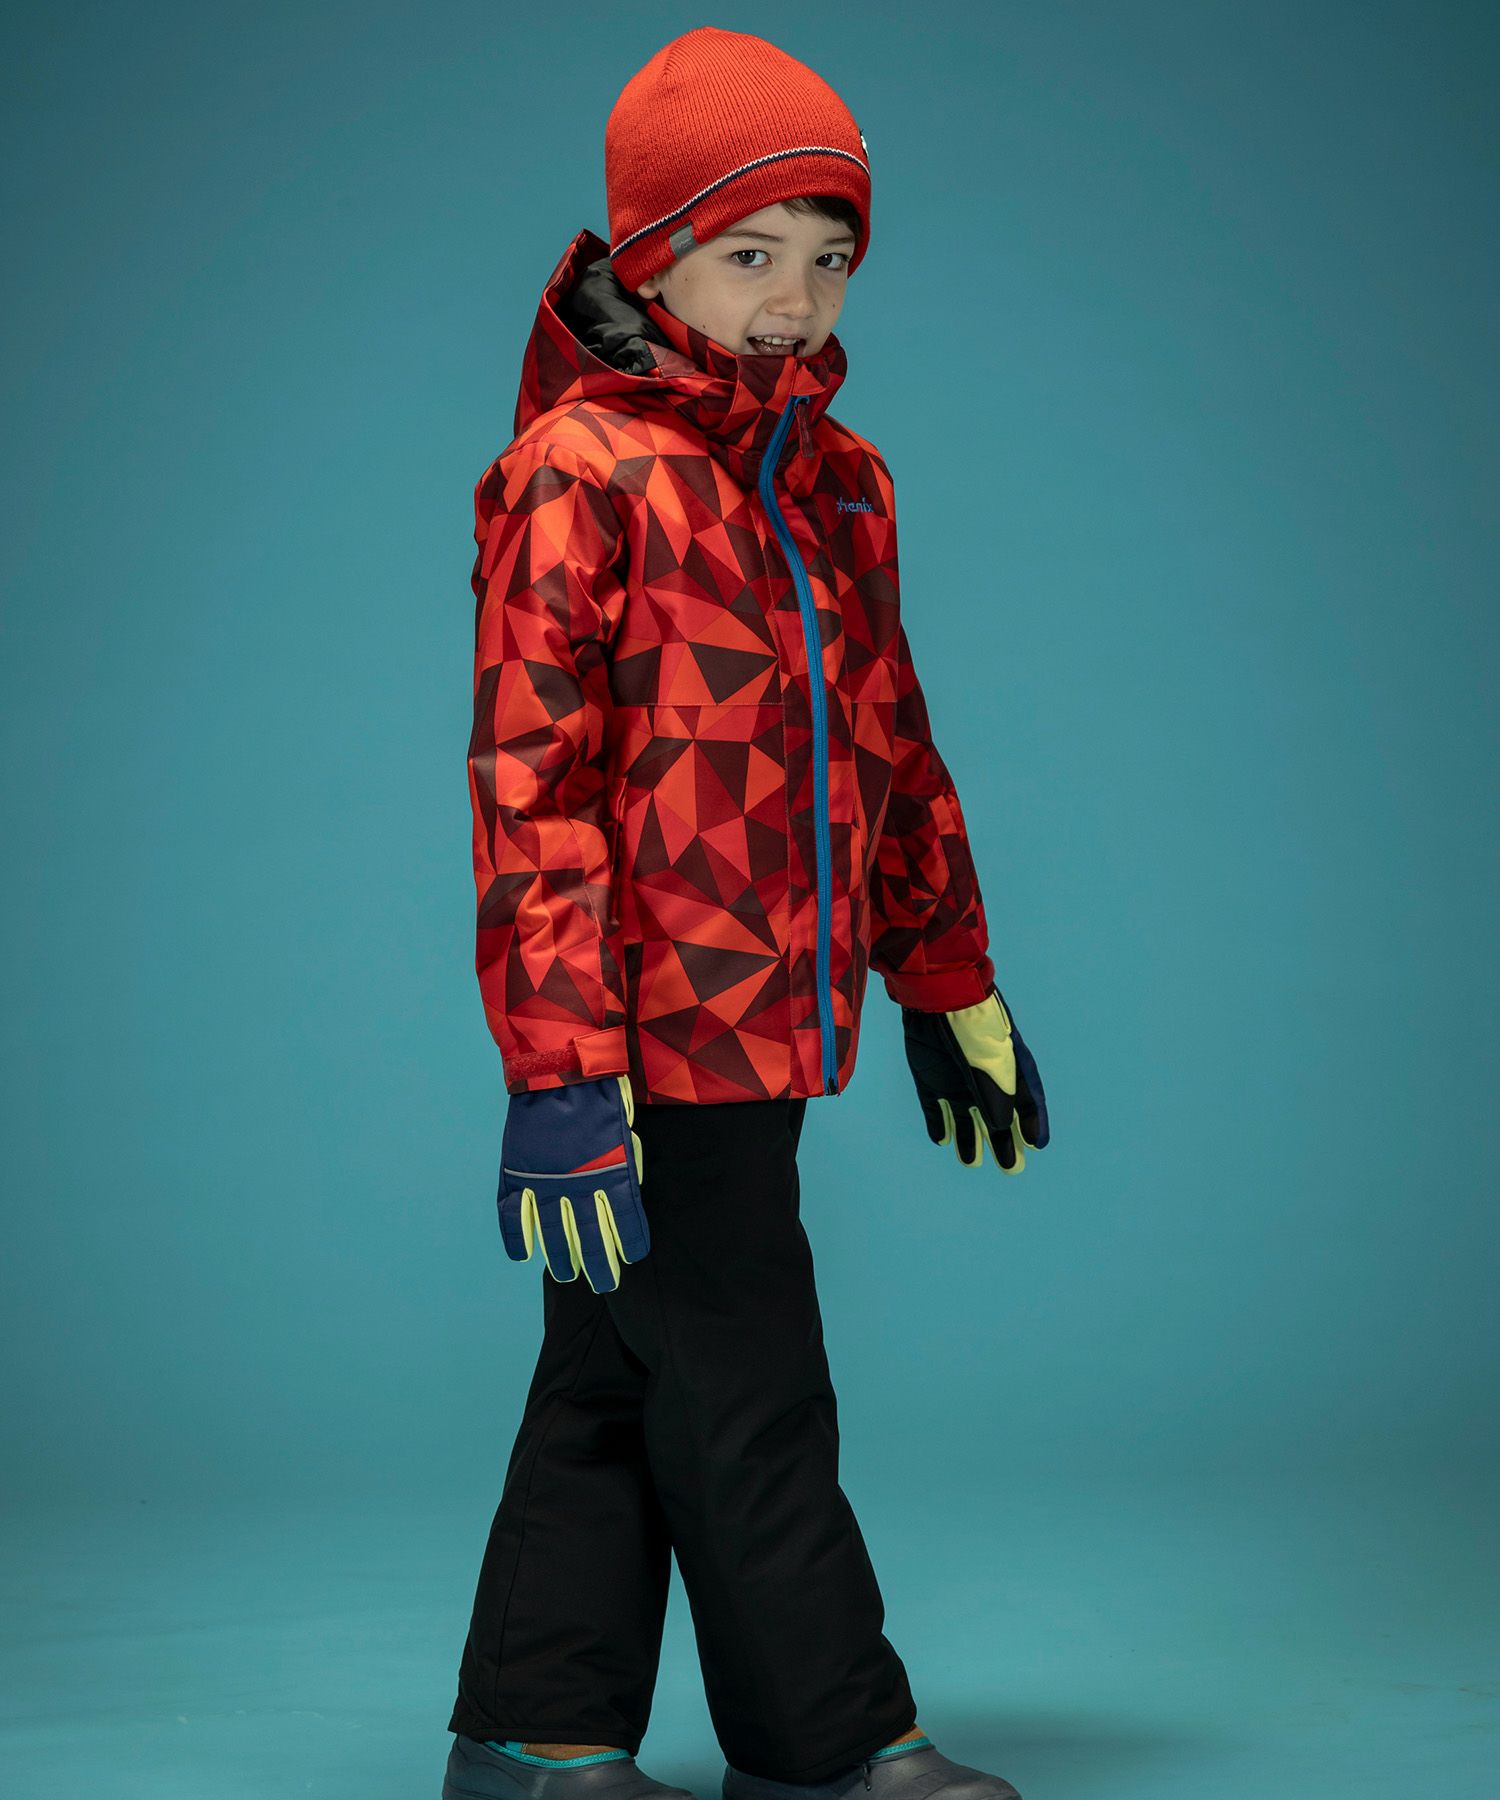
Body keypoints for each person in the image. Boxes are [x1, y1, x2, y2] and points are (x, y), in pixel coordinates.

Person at [445, 26, 1050, 1800]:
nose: (795, 302)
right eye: (750, 254)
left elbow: (893, 737)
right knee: (748, 1380)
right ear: (652, 255)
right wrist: (565, 1070)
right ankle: (830, 1741)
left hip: (782, 1018)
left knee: (617, 1375)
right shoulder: (578, 472)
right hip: (652, 1032)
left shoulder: (838, 481)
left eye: (831, 258)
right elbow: (530, 791)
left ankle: (536, 1734)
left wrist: (947, 976)